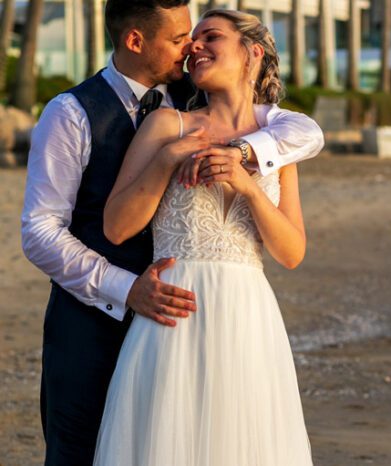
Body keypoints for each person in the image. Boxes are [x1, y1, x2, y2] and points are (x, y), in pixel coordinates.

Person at [20, 1, 323, 465]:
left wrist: (245, 158)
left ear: (253, 52)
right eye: (182, 38)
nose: (192, 48)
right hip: (99, 316)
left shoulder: (249, 121)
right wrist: (127, 288)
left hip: (240, 315)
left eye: (204, 38)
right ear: (136, 41)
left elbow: (305, 133)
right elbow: (41, 231)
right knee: (85, 448)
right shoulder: (76, 113)